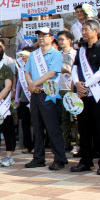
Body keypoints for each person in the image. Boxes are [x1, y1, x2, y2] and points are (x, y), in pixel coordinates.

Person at [70, 20, 100, 175]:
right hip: (83, 94)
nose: (83, 32)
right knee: (84, 128)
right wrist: (77, 83)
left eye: (86, 29)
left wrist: (85, 84)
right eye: (82, 29)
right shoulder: (81, 50)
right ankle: (85, 161)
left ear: (96, 31)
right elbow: (74, 68)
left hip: (98, 94)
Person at [24, 27, 68, 170]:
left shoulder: (56, 54)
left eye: (45, 35)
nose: (41, 38)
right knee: (37, 127)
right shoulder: (33, 55)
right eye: (39, 36)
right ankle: (38, 157)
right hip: (35, 93)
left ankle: (60, 158)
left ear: (51, 38)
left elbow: (51, 73)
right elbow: (26, 71)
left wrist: (33, 84)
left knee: (52, 127)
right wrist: (31, 85)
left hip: (49, 93)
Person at [56, 31, 78, 152]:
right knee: (63, 118)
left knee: (76, 117)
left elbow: (78, 71)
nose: (60, 42)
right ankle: (66, 143)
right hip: (60, 88)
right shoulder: (57, 54)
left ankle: (79, 144)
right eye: (58, 39)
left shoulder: (75, 53)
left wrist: (68, 71)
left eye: (62, 39)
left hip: (72, 88)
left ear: (69, 40)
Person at [15, 48, 35, 154]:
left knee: (36, 122)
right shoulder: (21, 67)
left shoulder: (35, 66)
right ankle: (28, 145)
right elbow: (19, 83)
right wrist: (17, 98)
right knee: (24, 122)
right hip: (24, 97)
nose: (23, 57)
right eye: (21, 55)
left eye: (25, 55)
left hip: (34, 96)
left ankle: (36, 145)